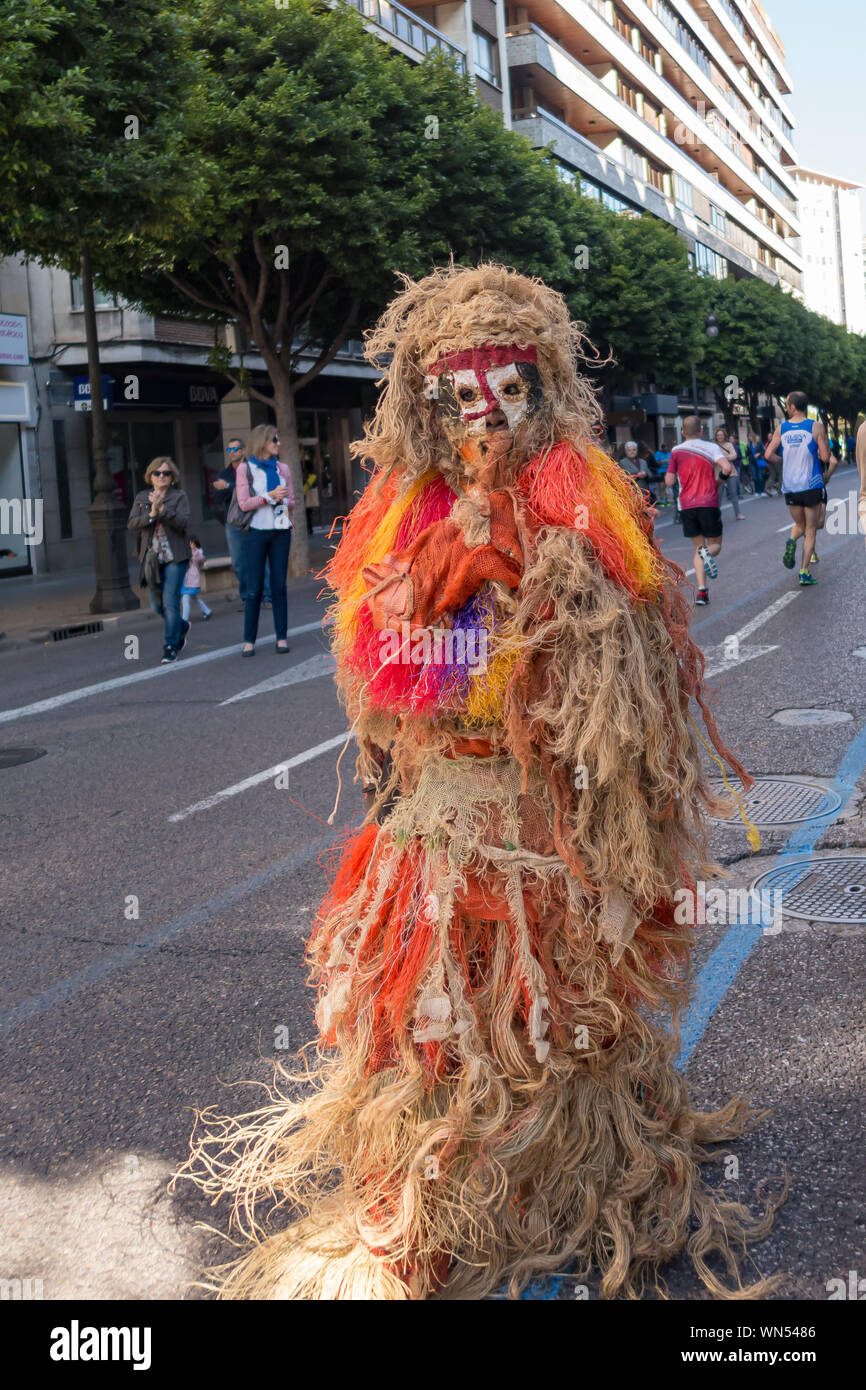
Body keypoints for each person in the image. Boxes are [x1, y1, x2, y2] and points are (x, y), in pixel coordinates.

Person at [182, 263, 777, 1301]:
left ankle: (553, 1169)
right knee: (433, 1011)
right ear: (428, 404)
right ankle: (442, 1189)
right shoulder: (400, 507)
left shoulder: (579, 494)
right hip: (445, 809)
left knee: (564, 1002)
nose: (488, 417)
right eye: (464, 396)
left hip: (543, 806)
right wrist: (448, 587)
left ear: (542, 391)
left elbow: (620, 663)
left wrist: (538, 592)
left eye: (508, 393)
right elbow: (380, 666)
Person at [236, 423, 295, 656]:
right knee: (254, 589)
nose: (278, 444)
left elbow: (292, 502)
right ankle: (249, 640)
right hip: (256, 532)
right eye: (274, 440)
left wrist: (283, 500)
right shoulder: (245, 469)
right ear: (263, 442)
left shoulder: (283, 469)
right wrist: (269, 497)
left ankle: (282, 638)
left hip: (281, 530)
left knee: (279, 586)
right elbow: (244, 503)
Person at [127, 457, 191, 664]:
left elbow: (183, 523)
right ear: (150, 476)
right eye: (157, 473)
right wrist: (152, 515)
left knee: (170, 602)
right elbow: (132, 523)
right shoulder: (142, 497)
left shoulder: (179, 496)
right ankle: (181, 626)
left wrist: (163, 511)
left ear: (172, 478)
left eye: (165, 473)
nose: (161, 476)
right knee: (157, 604)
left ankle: (171, 646)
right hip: (151, 558)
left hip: (175, 556)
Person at [763, 392, 830, 586]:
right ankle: (803, 572)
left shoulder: (781, 429)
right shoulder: (816, 426)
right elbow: (825, 457)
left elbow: (768, 455)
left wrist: (783, 460)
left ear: (791, 407)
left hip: (790, 486)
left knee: (799, 525)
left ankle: (792, 540)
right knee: (810, 530)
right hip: (811, 484)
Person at [665, 415, 733, 606]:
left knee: (698, 548)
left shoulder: (676, 451)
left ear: (682, 432)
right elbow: (727, 467)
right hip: (708, 501)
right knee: (715, 546)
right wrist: (719, 481)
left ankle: (702, 591)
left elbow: (669, 481)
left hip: (686, 505)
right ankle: (708, 554)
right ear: (702, 431)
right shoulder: (711, 447)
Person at [213, 438, 247, 602]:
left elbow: (252, 489)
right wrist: (235, 488)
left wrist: (228, 487)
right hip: (232, 522)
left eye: (235, 449)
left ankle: (267, 596)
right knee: (238, 563)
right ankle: (248, 595)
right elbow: (218, 497)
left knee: (258, 560)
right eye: (229, 450)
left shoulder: (252, 470)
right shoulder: (223, 474)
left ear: (243, 451)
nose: (232, 452)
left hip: (253, 520)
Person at [715, 426, 744, 519]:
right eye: (718, 435)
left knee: (733, 493)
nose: (720, 436)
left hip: (731, 473)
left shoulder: (729, 445)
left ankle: (738, 514)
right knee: (718, 496)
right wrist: (725, 458)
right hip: (718, 474)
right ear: (716, 436)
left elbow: (734, 456)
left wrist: (721, 458)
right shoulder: (713, 446)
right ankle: (717, 516)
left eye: (721, 435)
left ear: (724, 435)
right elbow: (712, 458)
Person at [181, 536, 212, 623]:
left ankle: (184, 621)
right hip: (187, 579)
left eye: (193, 543)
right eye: (190, 543)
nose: (191, 545)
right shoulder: (189, 552)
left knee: (185, 598)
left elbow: (201, 560)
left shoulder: (198, 553)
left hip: (192, 578)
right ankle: (207, 611)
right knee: (193, 597)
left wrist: (195, 555)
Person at [748, 430, 767, 495]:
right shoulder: (748, 445)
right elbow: (748, 454)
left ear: (753, 436)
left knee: (760, 477)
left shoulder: (759, 443)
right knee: (755, 477)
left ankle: (762, 491)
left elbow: (764, 451)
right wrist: (752, 456)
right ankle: (757, 491)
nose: (749, 438)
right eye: (748, 437)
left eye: (750, 436)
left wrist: (759, 454)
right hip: (752, 462)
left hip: (759, 462)